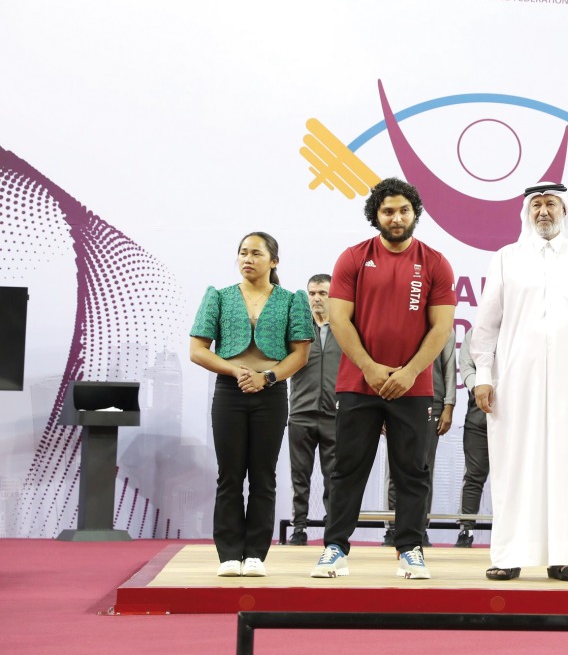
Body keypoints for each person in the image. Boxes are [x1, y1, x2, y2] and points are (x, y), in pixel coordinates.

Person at [471, 182, 568, 581]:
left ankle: (565, 556)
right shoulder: (506, 259)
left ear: (564, 210)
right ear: (526, 212)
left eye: (550, 204)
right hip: (514, 383)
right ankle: (507, 555)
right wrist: (483, 376)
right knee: (513, 465)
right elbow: (484, 326)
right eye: (536, 205)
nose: (543, 212)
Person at [311, 178, 455, 580]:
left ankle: (410, 549)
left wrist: (409, 372)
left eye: (403, 210)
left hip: (414, 387)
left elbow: (441, 328)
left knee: (413, 472)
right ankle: (335, 548)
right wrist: (371, 368)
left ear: (415, 214)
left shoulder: (436, 262)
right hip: (359, 384)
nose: (396, 218)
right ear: (375, 215)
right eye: (388, 211)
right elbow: (339, 319)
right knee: (347, 469)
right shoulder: (353, 258)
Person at [189, 232, 312, 577]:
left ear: (274, 261)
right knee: (229, 475)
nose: (247, 259)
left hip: (270, 395)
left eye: (256, 253)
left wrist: (267, 378)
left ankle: (255, 553)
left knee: (263, 476)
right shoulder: (219, 297)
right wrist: (235, 370)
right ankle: (229, 553)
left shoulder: (291, 300)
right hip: (229, 393)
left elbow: (300, 355)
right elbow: (197, 350)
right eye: (243, 253)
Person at [384, 334, 455, 548]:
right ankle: (392, 528)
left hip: (431, 403)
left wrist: (449, 405)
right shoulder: (400, 320)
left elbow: (449, 368)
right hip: (397, 399)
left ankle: (419, 528)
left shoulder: (444, 328)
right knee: (393, 470)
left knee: (424, 471)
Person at [285, 274, 340, 546]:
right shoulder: (297, 332)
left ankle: (333, 530)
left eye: (323, 293)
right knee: (300, 477)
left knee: (334, 478)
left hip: (335, 415)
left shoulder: (346, 331)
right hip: (301, 414)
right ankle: (299, 528)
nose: (316, 298)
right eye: (312, 293)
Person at [455, 327, 488, 548]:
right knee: (474, 477)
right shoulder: (474, 334)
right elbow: (465, 366)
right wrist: (480, 386)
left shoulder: (519, 330)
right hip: (478, 419)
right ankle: (466, 530)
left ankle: (517, 534)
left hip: (513, 421)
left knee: (515, 479)